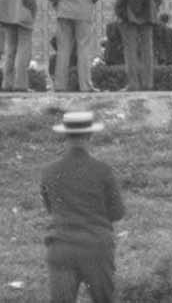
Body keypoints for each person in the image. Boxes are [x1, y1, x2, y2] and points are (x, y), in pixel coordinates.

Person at [41, 111, 125, 303]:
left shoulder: (49, 171)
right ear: (90, 136)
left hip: (61, 247)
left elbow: (51, 208)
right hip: (96, 247)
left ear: (65, 136)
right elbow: (117, 212)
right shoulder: (102, 170)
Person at [46, 0, 103, 94]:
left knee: (63, 49)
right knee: (83, 48)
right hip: (83, 11)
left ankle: (59, 85)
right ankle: (85, 85)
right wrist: (89, 1)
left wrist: (58, 4)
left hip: (63, 11)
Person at [113, 0, 162, 92]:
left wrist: (119, 11)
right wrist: (154, 9)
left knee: (131, 51)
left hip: (129, 15)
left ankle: (133, 84)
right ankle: (148, 83)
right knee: (148, 50)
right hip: (148, 15)